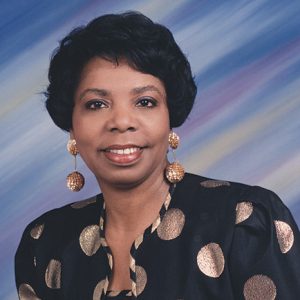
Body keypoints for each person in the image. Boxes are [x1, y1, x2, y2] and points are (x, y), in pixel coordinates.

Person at [15, 11, 300, 300]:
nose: (121, 121)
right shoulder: (45, 243)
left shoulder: (244, 222)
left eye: (145, 102)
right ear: (72, 126)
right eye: (97, 104)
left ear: (170, 118)